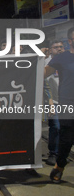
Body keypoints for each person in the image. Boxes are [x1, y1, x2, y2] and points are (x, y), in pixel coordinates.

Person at [44, 27, 74, 183]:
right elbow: (42, 74)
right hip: (67, 103)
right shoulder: (62, 58)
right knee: (67, 140)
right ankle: (60, 165)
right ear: (70, 41)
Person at [44, 40, 64, 166]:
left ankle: (62, 153)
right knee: (55, 127)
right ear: (50, 50)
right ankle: (53, 153)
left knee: (65, 128)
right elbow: (45, 85)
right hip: (53, 101)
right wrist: (50, 103)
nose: (59, 49)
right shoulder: (47, 64)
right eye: (56, 47)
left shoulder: (67, 61)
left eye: (61, 47)